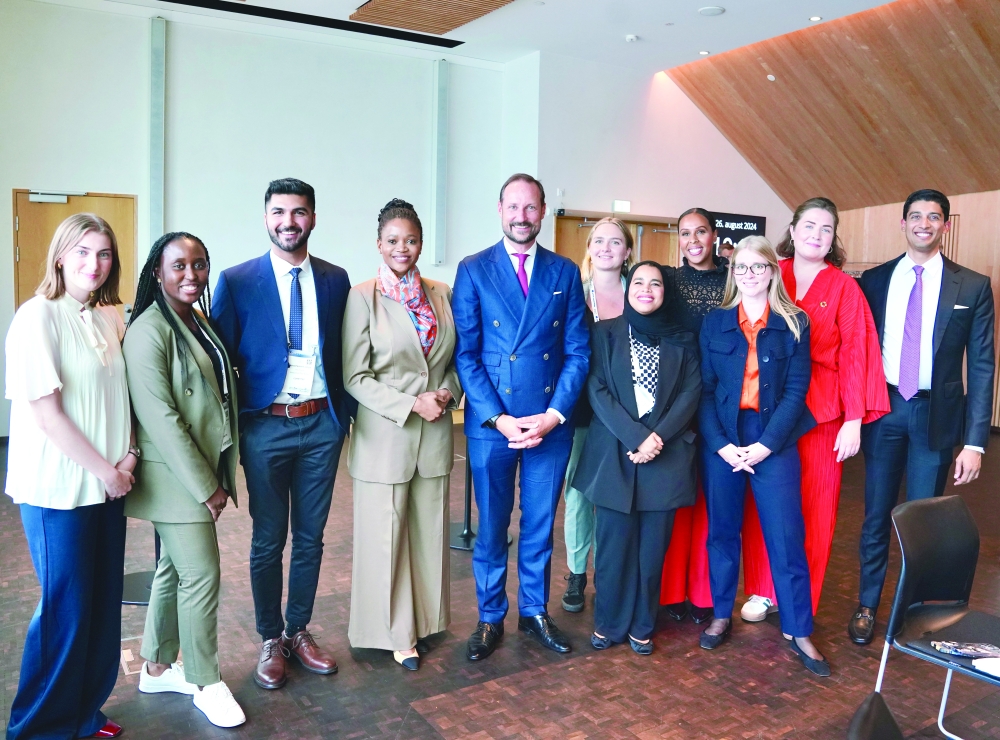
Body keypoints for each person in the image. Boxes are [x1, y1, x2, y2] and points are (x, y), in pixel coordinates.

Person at [212, 178, 353, 689]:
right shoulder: (237, 280)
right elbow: (220, 362)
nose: (288, 221)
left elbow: (346, 353)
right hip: (265, 427)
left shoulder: (336, 280)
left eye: (298, 212)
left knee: (312, 537)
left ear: (313, 218)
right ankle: (270, 637)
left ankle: (299, 630)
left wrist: (344, 419)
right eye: (278, 212)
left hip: (320, 425)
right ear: (265, 216)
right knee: (268, 539)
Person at [5, 213, 134, 739]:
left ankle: (84, 715)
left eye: (104, 254)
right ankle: (35, 728)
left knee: (101, 605)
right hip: (60, 490)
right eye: (83, 252)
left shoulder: (104, 317)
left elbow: (122, 398)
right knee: (66, 610)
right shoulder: (37, 316)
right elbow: (46, 414)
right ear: (60, 255)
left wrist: (127, 459)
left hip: (108, 485)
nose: (94, 263)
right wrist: (108, 470)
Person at [452, 173, 590, 661]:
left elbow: (577, 351)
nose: (521, 216)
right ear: (499, 209)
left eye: (530, 208)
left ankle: (534, 611)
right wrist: (498, 418)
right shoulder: (472, 269)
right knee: (491, 526)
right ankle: (490, 617)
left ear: (543, 211)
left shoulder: (564, 271)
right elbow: (466, 354)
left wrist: (553, 415)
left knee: (539, 524)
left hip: (548, 424)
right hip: (495, 427)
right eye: (513, 207)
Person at [848, 189, 995, 645]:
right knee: (876, 516)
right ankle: (867, 605)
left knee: (922, 518)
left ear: (946, 225)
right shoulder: (873, 280)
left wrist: (974, 442)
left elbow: (983, 365)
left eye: (934, 217)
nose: (924, 224)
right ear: (903, 222)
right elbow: (856, 352)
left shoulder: (971, 286)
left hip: (936, 416)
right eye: (916, 216)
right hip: (884, 408)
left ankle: (911, 612)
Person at [740, 198, 890, 624]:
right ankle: (762, 589)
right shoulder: (772, 272)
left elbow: (857, 355)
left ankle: (797, 597)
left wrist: (854, 419)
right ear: (792, 228)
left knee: (815, 506)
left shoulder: (844, 287)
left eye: (826, 228)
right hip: (769, 408)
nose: (816, 234)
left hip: (823, 412)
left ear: (833, 237)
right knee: (764, 502)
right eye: (809, 225)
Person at [123, 232, 245, 727]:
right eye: (179, 266)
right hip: (176, 477)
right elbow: (162, 420)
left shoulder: (195, 319)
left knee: (174, 570)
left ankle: (155, 666)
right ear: (157, 271)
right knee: (201, 575)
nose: (191, 274)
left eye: (199, 265)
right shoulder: (148, 331)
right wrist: (208, 488)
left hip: (197, 469)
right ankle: (203, 680)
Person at [698, 236, 830, 677]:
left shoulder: (795, 323)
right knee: (722, 532)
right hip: (723, 439)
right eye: (741, 267)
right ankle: (721, 613)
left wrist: (765, 445)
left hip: (773, 439)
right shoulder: (715, 323)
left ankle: (798, 628)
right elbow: (704, 391)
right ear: (732, 274)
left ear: (773, 271)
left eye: (758, 267)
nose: (749, 275)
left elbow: (796, 392)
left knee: (786, 536)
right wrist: (721, 445)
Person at [342, 199, 462, 671]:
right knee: (385, 538)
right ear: (379, 244)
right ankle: (395, 634)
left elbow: (454, 363)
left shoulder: (442, 292)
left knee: (428, 535)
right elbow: (355, 376)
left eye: (411, 240)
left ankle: (425, 622)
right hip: (385, 436)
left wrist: (446, 394)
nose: (402, 248)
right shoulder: (362, 296)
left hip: (434, 436)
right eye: (393, 241)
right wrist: (411, 403)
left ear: (421, 243)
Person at [572, 262, 701, 654]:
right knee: (612, 550)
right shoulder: (604, 333)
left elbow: (690, 394)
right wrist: (637, 437)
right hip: (614, 454)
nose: (647, 289)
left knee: (651, 553)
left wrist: (656, 438)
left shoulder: (683, 339)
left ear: (666, 292)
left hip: (666, 457)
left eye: (656, 283)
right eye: (640, 282)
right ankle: (609, 624)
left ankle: (643, 624)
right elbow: (596, 390)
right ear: (629, 289)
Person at [560, 217, 633, 614]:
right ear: (589, 248)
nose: (606, 248)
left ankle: (611, 573)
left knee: (617, 497)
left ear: (627, 252)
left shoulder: (638, 293)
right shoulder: (574, 294)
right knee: (577, 494)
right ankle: (575, 572)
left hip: (629, 415)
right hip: (583, 412)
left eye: (615, 242)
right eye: (599, 241)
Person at [659, 207, 728, 624]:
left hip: (721, 400)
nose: (693, 240)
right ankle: (670, 593)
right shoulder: (667, 280)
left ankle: (704, 595)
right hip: (677, 398)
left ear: (714, 235)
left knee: (710, 500)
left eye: (700, 231)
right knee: (675, 497)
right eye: (685, 233)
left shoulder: (734, 279)